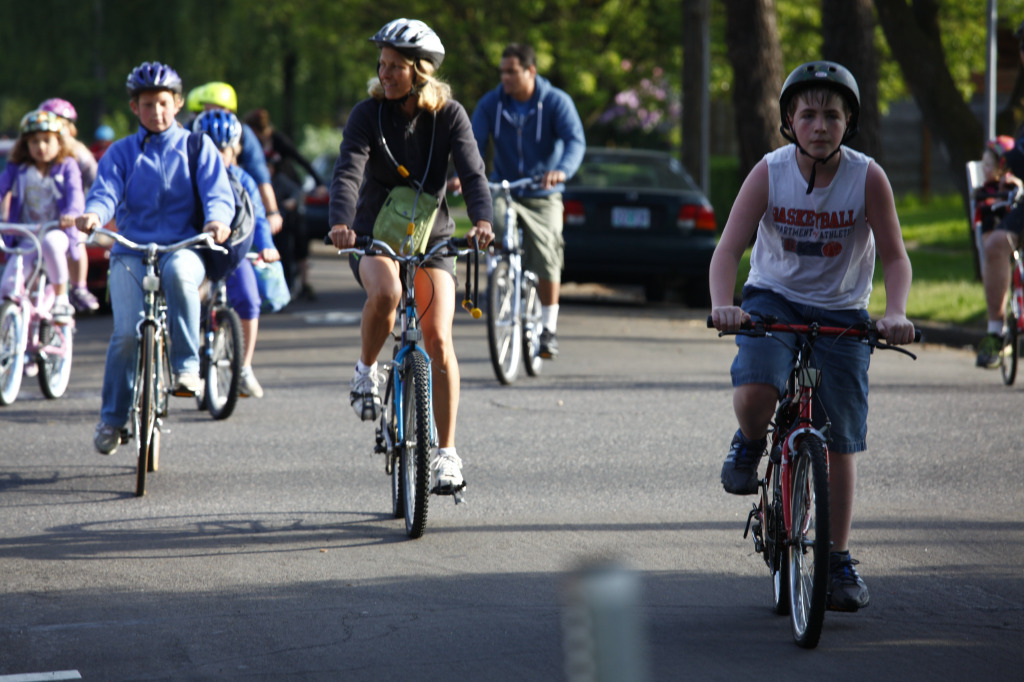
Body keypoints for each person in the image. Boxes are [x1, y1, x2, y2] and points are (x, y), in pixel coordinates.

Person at [708, 61, 915, 612]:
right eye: (808, 115)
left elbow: (895, 257)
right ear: (789, 122)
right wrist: (723, 305)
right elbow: (728, 248)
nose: (820, 125)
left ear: (849, 122)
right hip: (771, 298)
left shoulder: (867, 177)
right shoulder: (769, 172)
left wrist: (895, 311)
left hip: (843, 309)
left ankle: (839, 558)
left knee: (841, 436)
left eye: (832, 115)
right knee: (757, 392)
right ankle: (751, 441)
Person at [328, 18, 494, 493]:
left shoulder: (450, 116)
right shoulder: (368, 114)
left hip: (432, 238)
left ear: (421, 71)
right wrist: (342, 223)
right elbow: (347, 170)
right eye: (382, 64)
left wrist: (482, 221)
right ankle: (365, 371)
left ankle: (447, 454)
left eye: (395, 66)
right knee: (387, 290)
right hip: (373, 232)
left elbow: (473, 172)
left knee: (439, 339)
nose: (385, 74)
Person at [76, 61, 234, 455]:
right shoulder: (121, 152)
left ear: (178, 103)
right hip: (130, 250)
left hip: (183, 246)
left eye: (163, 103)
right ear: (135, 108)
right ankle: (112, 419)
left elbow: (217, 192)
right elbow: (106, 189)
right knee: (127, 335)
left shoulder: (198, 147)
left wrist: (217, 220)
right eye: (147, 104)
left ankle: (185, 367)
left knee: (181, 275)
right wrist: (94, 212)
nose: (156, 112)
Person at [451, 42, 585, 359]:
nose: (506, 78)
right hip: (503, 187)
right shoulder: (492, 103)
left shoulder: (554, 102)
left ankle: (548, 329)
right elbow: (472, 144)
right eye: (502, 72)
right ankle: (500, 277)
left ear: (530, 71)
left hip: (542, 191)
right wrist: (465, 174)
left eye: (512, 72)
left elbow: (574, 141)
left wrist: (561, 171)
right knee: (488, 222)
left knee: (548, 249)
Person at [193, 108, 281, 398]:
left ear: (236, 149)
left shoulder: (243, 179)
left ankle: (243, 367)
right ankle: (188, 361)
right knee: (186, 295)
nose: (217, 155)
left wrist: (266, 246)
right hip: (196, 252)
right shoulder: (188, 176)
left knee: (249, 297)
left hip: (232, 252)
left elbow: (257, 218)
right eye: (209, 148)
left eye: (223, 149)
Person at [0, 109, 84, 325]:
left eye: (47, 140)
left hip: (56, 231)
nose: (41, 147)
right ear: (25, 145)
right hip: (26, 237)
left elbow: (76, 194)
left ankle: (62, 299)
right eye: (34, 141)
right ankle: (11, 338)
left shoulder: (67, 166)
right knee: (8, 286)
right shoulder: (17, 168)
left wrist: (72, 214)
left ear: (59, 142)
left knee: (51, 243)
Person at [243, 107, 323, 301]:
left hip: (286, 187)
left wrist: (319, 182)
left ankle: (303, 283)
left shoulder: (277, 140)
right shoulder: (249, 143)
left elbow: (300, 159)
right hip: (267, 190)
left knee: (297, 239)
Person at [185, 82, 284, 236]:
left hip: (237, 212)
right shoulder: (190, 130)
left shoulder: (242, 133)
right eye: (208, 108)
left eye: (219, 108)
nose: (214, 113)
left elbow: (260, 174)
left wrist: (272, 212)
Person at [38, 97, 101, 314]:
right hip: (44, 212)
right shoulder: (43, 149)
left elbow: (96, 181)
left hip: (73, 213)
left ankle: (79, 286)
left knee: (76, 242)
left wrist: (89, 209)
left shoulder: (78, 153)